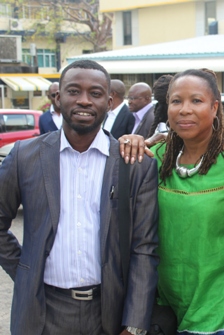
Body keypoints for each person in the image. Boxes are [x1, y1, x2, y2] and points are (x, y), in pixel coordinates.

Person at [0, 59, 159, 335]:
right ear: (58, 99)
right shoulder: (24, 157)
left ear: (109, 102)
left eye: (95, 94)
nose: (84, 101)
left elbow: (144, 247)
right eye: (74, 91)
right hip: (42, 311)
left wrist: (134, 324)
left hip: (109, 313)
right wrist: (26, 270)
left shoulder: (134, 164)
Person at [119, 68, 224, 335]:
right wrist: (127, 143)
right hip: (163, 309)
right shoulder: (155, 157)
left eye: (196, 100)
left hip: (217, 312)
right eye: (176, 101)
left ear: (215, 107)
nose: (184, 110)